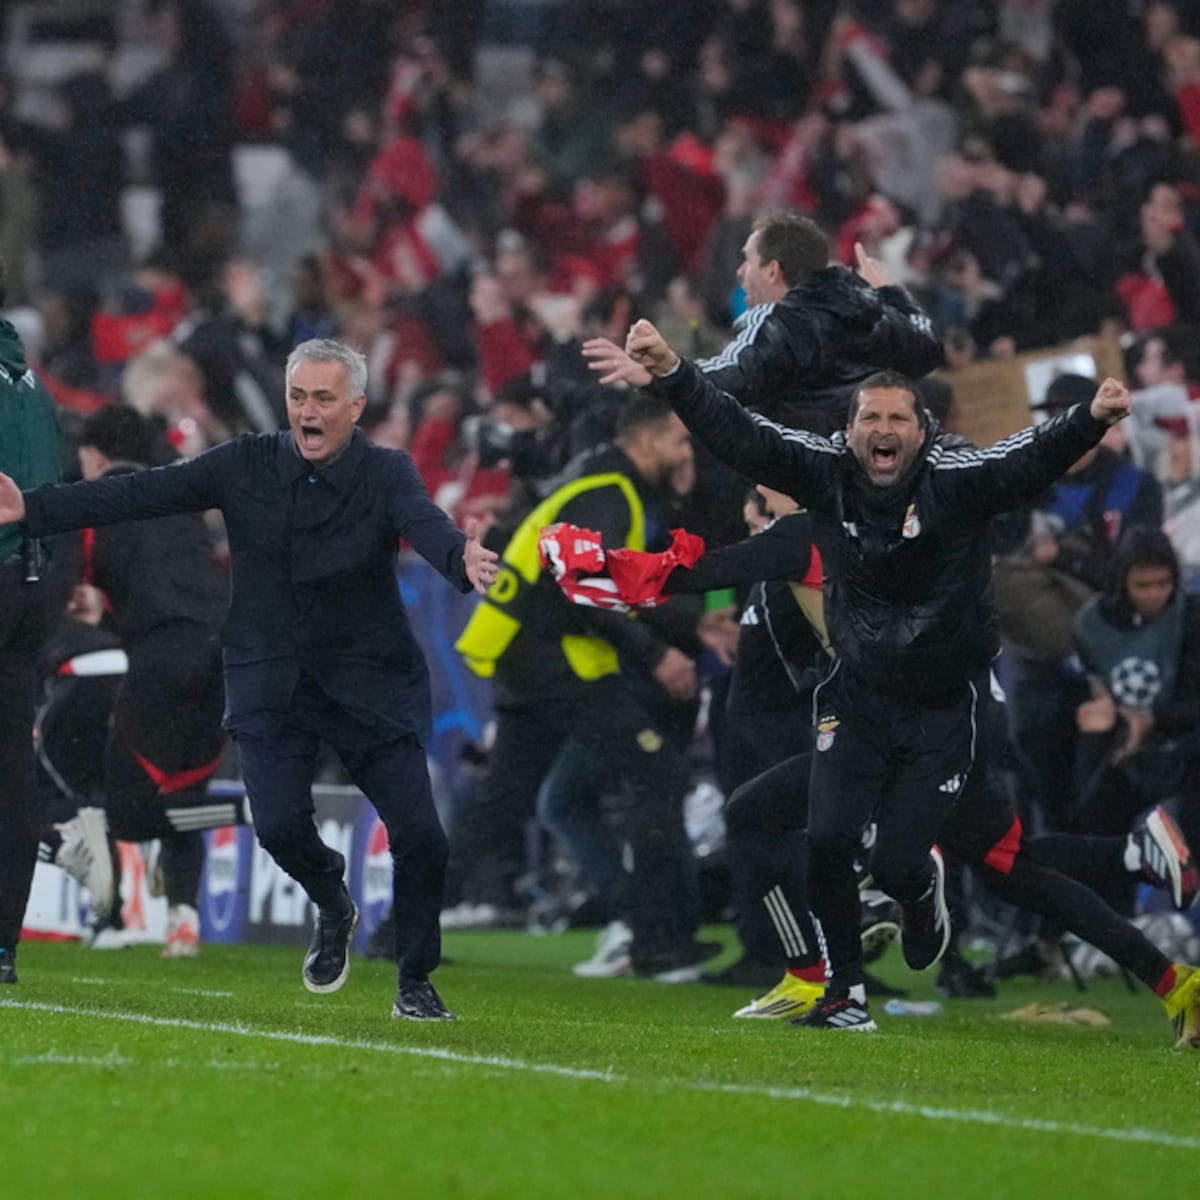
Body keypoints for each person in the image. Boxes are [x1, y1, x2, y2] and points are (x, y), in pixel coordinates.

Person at [620, 318, 1145, 1032]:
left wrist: (1086, 421)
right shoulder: (822, 475)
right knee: (831, 840)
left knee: (935, 861)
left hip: (942, 710)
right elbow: (739, 431)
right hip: (858, 701)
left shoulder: (953, 482)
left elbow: (1023, 459)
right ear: (851, 431)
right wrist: (672, 373)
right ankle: (845, 997)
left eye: (899, 416)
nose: (884, 426)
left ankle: (928, 894)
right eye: (871, 415)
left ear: (922, 431)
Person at [0, 338, 499, 1020]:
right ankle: (332, 899)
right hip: (272, 683)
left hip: (366, 681)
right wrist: (34, 506)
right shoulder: (245, 463)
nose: (307, 412)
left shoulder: (388, 473)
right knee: (280, 828)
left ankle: (415, 980)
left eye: (324, 398)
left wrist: (458, 559)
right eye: (298, 397)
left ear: (356, 405)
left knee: (422, 836)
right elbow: (142, 491)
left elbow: (426, 523)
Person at [454, 395, 714, 980]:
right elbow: (586, 581)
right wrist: (658, 653)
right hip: (556, 664)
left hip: (527, 660)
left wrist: (691, 622)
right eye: (677, 442)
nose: (682, 453)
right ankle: (652, 942)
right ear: (646, 442)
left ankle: (401, 930)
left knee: (502, 806)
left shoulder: (599, 487)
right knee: (660, 772)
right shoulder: (610, 493)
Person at [39, 405, 236, 956]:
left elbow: (62, 588)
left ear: (95, 456)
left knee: (120, 800)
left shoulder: (96, 505)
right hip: (223, 650)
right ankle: (184, 923)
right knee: (186, 789)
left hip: (159, 654)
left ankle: (116, 916)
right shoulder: (179, 496)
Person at [583, 212, 944, 434]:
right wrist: (890, 292)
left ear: (772, 270)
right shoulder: (869, 306)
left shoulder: (779, 323)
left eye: (748, 261)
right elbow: (928, 348)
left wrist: (658, 374)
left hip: (814, 493)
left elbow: (728, 379)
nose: (740, 272)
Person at [0, 260, 68, 985]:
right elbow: (60, 489)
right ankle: (3, 946)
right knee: (9, 770)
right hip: (27, 584)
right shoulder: (34, 390)